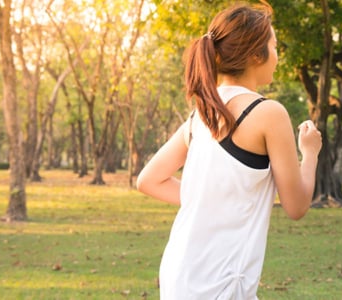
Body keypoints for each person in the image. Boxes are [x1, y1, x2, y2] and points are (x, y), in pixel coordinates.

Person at [136, 2, 321, 299]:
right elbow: (296, 206)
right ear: (255, 55)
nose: (277, 56)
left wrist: (208, 199)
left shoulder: (201, 115)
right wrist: (310, 153)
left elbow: (149, 180)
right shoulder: (268, 113)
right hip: (219, 280)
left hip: (180, 272)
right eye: (274, 46)